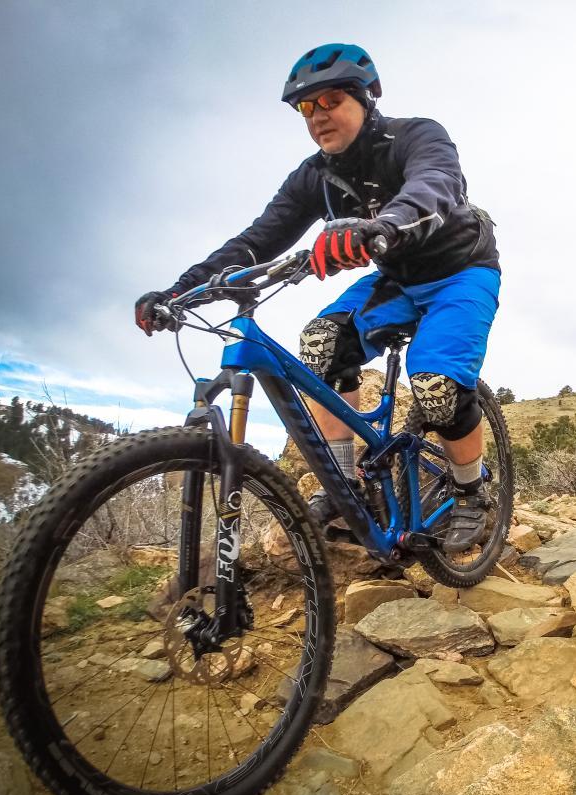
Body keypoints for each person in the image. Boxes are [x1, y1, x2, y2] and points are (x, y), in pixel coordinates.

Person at [133, 44, 500, 553]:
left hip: (462, 271)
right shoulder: (313, 176)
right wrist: (181, 289)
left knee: (437, 384)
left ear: (366, 98)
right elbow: (257, 240)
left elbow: (436, 185)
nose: (317, 115)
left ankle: (470, 492)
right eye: (306, 108)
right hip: (396, 279)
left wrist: (380, 226)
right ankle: (349, 487)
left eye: (330, 100)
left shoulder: (416, 135)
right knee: (322, 344)